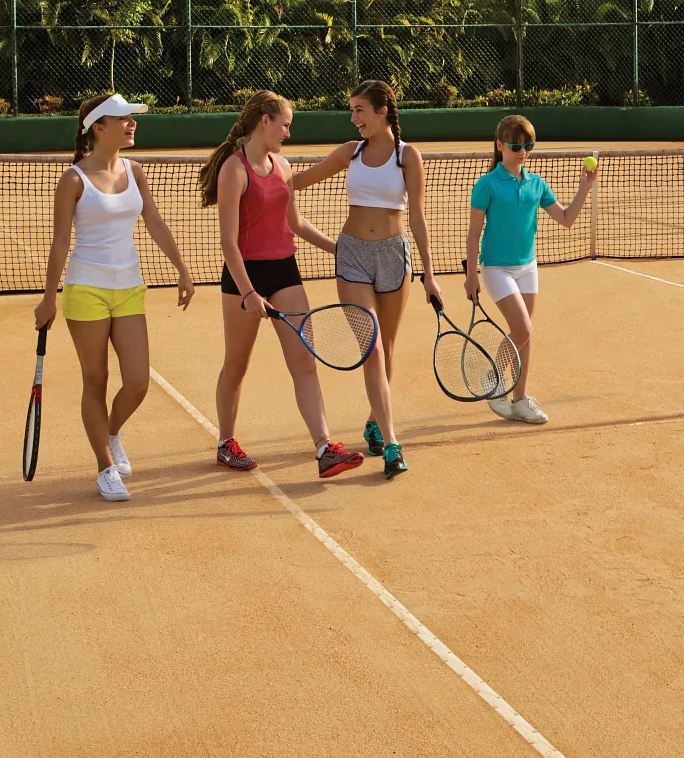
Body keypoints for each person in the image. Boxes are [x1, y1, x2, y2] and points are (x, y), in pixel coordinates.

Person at [35, 94, 196, 503]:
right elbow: (60, 242)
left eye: (132, 118)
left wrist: (182, 268)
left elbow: (155, 222)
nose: (131, 124)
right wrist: (49, 298)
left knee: (138, 381)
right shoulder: (73, 179)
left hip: (129, 288)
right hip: (85, 288)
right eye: (122, 119)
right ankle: (106, 467)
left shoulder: (136, 171)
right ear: (98, 128)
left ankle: (111, 432)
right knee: (96, 380)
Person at [200, 91, 363, 478]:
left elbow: (296, 224)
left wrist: (339, 250)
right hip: (245, 277)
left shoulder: (283, 166)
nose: (288, 132)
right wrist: (248, 292)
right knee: (238, 364)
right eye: (285, 124)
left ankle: (325, 447)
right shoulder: (233, 170)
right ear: (264, 121)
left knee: (304, 361)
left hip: (285, 271)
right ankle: (226, 442)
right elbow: (227, 242)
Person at [292, 80, 429, 476]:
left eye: (359, 111)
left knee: (386, 348)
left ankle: (374, 419)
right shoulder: (349, 153)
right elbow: (295, 181)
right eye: (351, 111)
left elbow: (418, 217)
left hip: (394, 255)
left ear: (383, 110)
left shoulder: (408, 157)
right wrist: (256, 171)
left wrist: (431, 276)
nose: (353, 119)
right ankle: (391, 443)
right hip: (351, 256)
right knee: (371, 350)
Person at [464, 114, 596, 426]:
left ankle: (520, 400)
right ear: (500, 145)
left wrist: (585, 187)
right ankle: (492, 378)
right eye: (515, 145)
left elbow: (566, 218)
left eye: (528, 145)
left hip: (527, 267)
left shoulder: (536, 184)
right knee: (522, 329)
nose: (522, 151)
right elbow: (472, 234)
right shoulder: (487, 185)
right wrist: (471, 274)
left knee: (525, 336)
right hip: (496, 268)